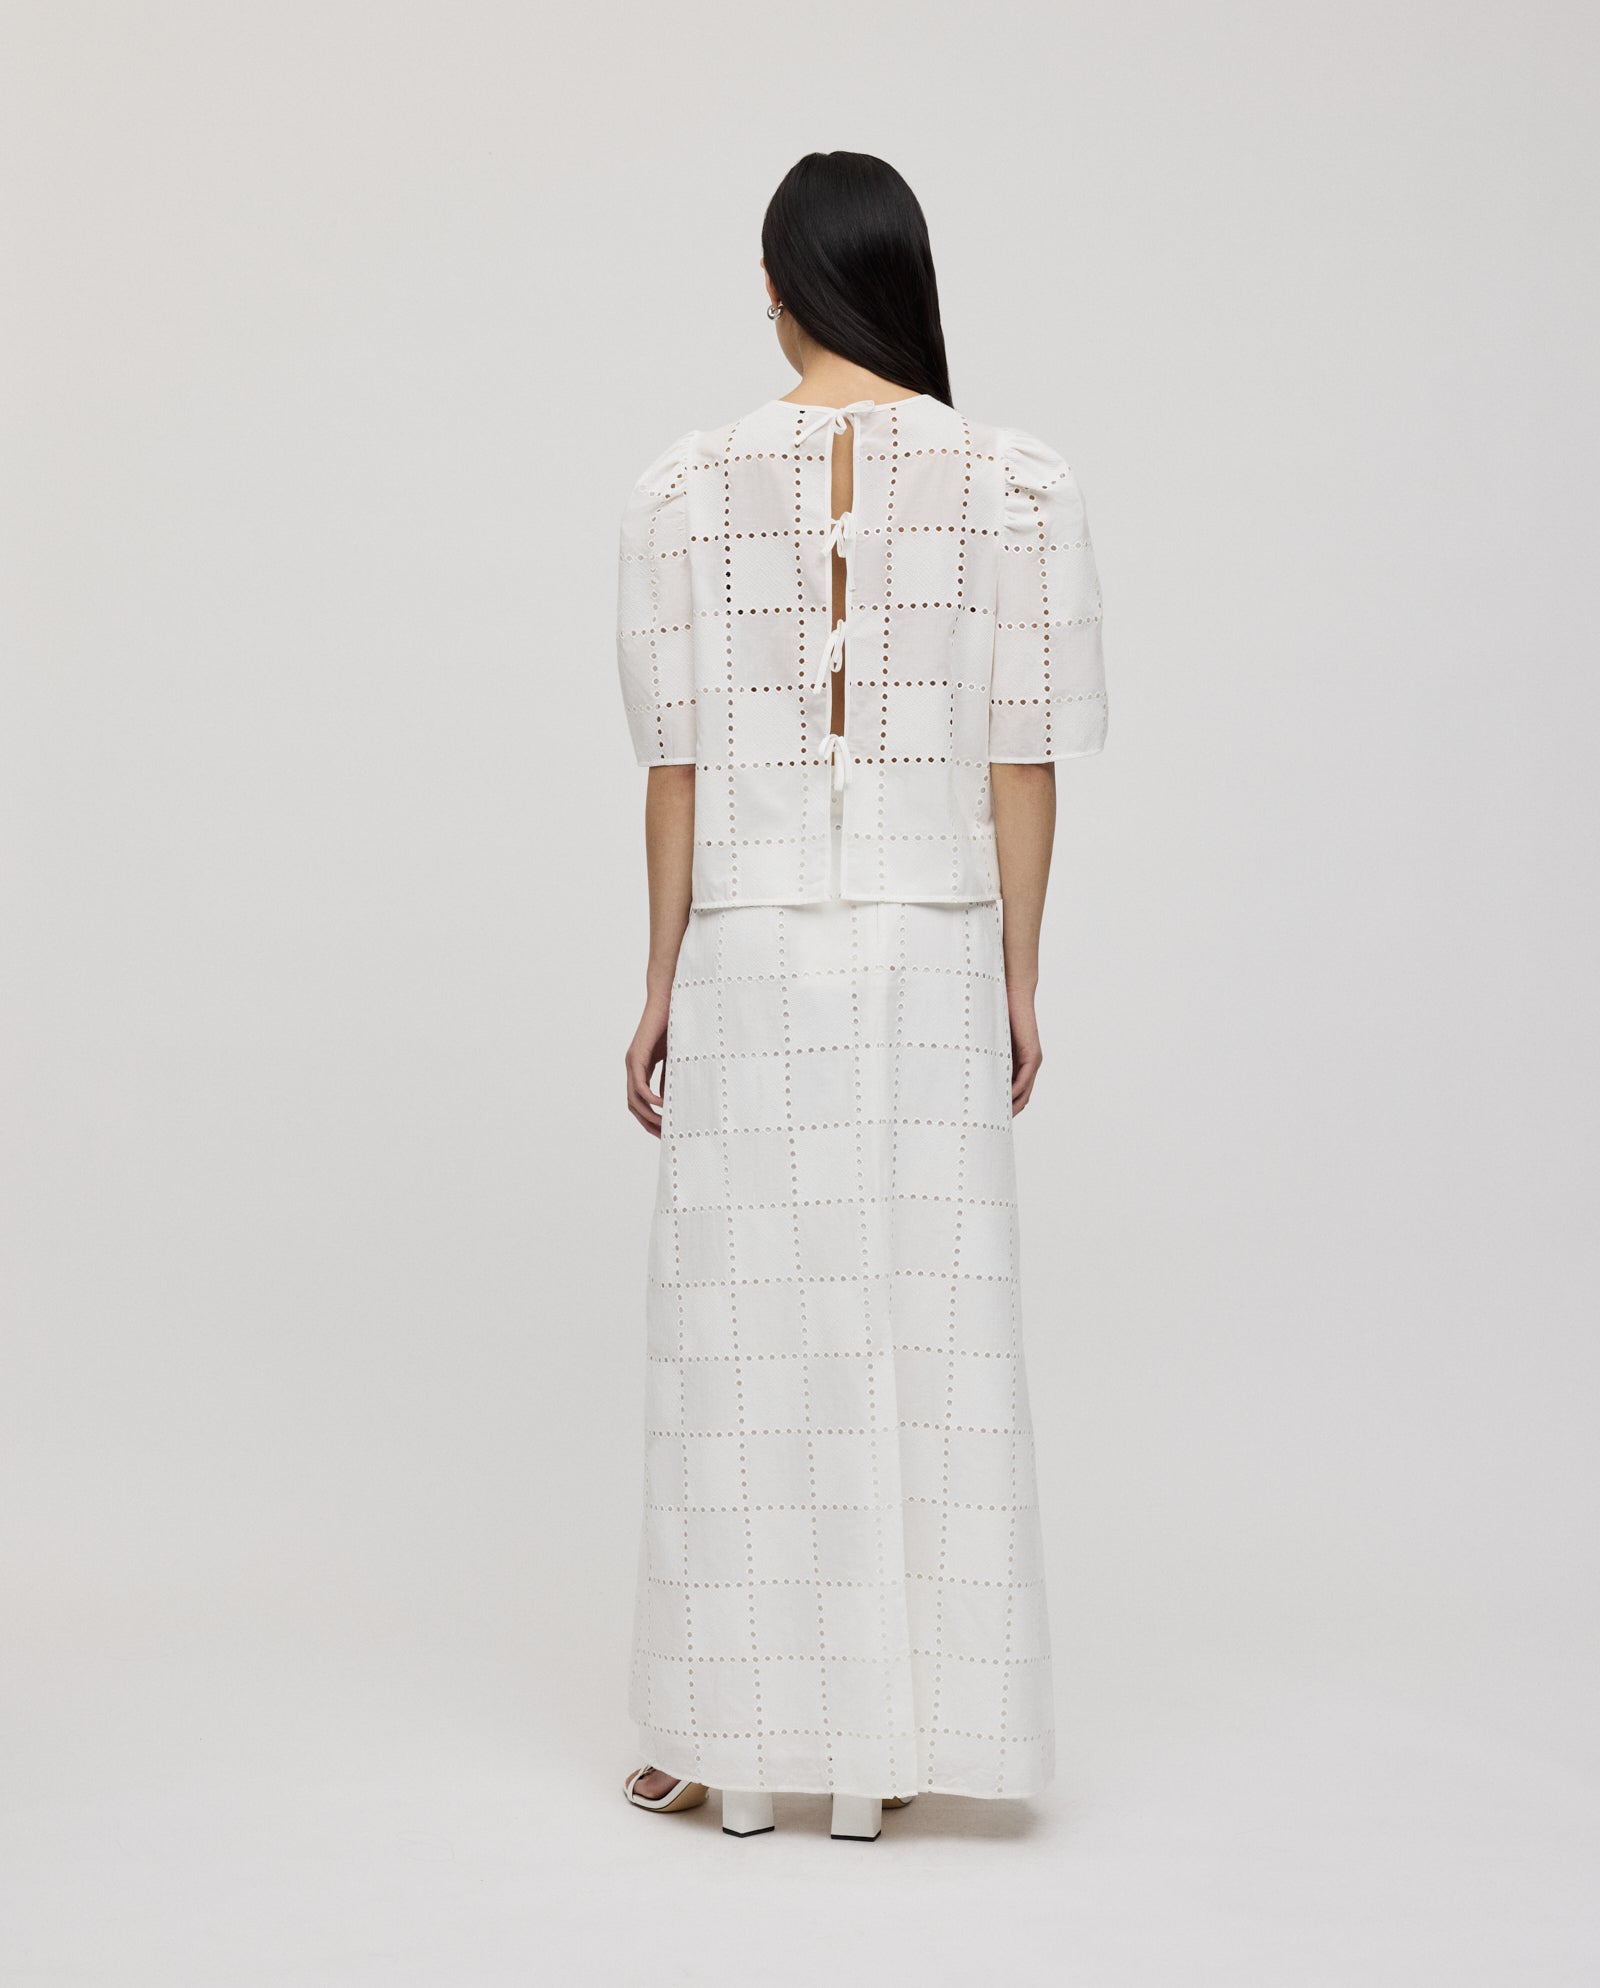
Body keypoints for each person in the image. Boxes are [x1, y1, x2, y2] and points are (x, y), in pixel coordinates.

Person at [614, 151, 1107, 1842]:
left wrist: (658, 977)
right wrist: (1021, 974)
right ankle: (890, 1738)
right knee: (918, 1333)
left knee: (740, 1337)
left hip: (750, 948)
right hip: (927, 949)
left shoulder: (686, 488)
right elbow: (1021, 757)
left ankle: (730, 1741)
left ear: (775, 285)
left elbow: (675, 768)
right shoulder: (1012, 482)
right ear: (899, 279)